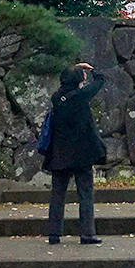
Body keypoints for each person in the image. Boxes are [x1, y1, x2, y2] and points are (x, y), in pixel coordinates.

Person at [43, 62, 107, 245]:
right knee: (85, 194)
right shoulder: (80, 96)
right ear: (79, 80)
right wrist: (92, 69)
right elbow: (100, 80)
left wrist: (74, 70)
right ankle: (87, 233)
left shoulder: (57, 98)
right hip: (81, 154)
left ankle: (54, 233)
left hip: (60, 153)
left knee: (57, 194)